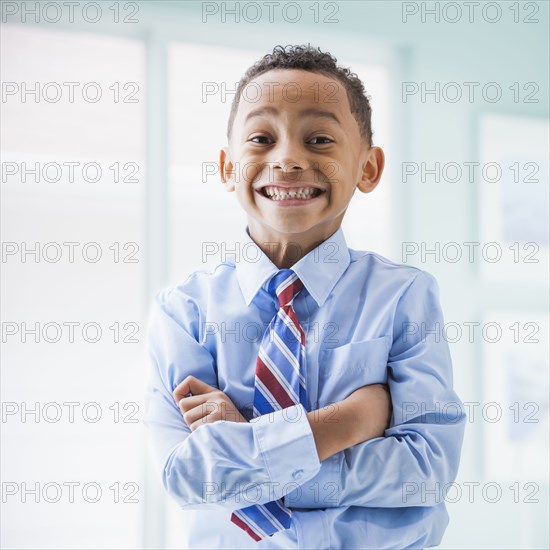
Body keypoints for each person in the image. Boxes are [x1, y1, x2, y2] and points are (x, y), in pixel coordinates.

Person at [144, 44, 466, 549]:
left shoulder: (404, 296)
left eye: (318, 139)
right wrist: (348, 422)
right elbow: (190, 477)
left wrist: (250, 449)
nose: (289, 158)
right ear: (228, 167)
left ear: (368, 168)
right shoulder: (185, 311)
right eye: (260, 138)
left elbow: (425, 470)